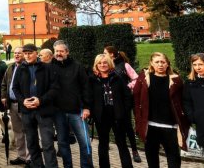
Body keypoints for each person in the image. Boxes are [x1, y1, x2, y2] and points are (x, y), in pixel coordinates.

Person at [133, 52, 189, 168]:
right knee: (152, 159)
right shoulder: (144, 79)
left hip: (170, 127)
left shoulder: (176, 80)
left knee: (174, 159)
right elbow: (136, 99)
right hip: (151, 126)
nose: (160, 65)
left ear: (167, 64)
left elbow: (182, 102)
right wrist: (139, 122)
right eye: (157, 62)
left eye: (163, 62)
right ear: (151, 64)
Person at [11, 43, 60, 168]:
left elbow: (54, 89)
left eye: (29, 53)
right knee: (32, 143)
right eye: (25, 54)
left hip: (44, 111)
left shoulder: (47, 68)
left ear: (36, 53)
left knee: (47, 143)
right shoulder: (21, 68)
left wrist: (41, 100)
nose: (27, 56)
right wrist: (23, 101)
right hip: (27, 111)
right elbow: (15, 88)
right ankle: (37, 165)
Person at [51, 40, 93, 168]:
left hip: (77, 111)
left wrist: (86, 107)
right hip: (58, 112)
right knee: (62, 143)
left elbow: (86, 87)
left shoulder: (77, 66)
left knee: (85, 143)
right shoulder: (49, 67)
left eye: (61, 51)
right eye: (56, 51)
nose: (59, 53)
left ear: (67, 52)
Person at [88, 54, 133, 168]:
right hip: (101, 116)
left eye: (105, 62)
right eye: (100, 63)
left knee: (121, 143)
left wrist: (124, 111)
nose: (102, 65)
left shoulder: (118, 77)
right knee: (103, 144)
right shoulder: (92, 79)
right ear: (96, 65)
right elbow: (89, 97)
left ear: (109, 63)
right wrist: (93, 112)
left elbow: (127, 96)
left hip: (118, 115)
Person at [104, 45, 141, 163]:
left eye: (105, 53)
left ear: (111, 54)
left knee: (128, 126)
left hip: (124, 101)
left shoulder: (124, 65)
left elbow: (136, 78)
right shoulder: (106, 66)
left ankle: (135, 151)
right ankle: (109, 144)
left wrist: (128, 86)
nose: (104, 54)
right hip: (110, 102)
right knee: (112, 126)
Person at [1, 47, 29, 166]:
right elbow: (3, 83)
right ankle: (21, 156)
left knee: (28, 131)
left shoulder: (27, 68)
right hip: (12, 104)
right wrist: (3, 96)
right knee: (17, 131)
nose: (17, 55)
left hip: (24, 105)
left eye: (19, 53)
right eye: (15, 53)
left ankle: (29, 158)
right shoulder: (10, 67)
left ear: (24, 55)